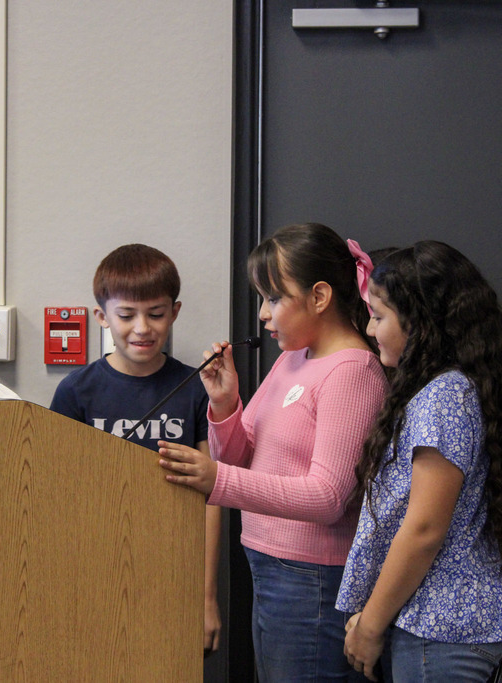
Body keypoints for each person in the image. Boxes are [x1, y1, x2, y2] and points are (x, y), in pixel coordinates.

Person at [158, 223, 388, 682]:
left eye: (274, 299)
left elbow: (327, 498)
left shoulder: (352, 371)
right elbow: (238, 457)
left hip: (311, 579)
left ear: (320, 297)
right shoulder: (294, 357)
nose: (263, 315)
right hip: (269, 567)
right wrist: (224, 404)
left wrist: (216, 482)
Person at [336, 241, 502, 682]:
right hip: (450, 621)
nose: (369, 330)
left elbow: (424, 530)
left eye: (379, 316)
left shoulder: (443, 397)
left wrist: (370, 625)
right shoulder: (456, 389)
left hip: (443, 626)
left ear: (420, 323)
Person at [48, 243, 223, 657]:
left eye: (156, 314)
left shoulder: (198, 388)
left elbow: (214, 497)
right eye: (126, 315)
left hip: (175, 571)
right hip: (92, 572)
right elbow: (57, 492)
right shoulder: (76, 391)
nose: (142, 328)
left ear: (175, 313)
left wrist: (206, 596)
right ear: (102, 317)